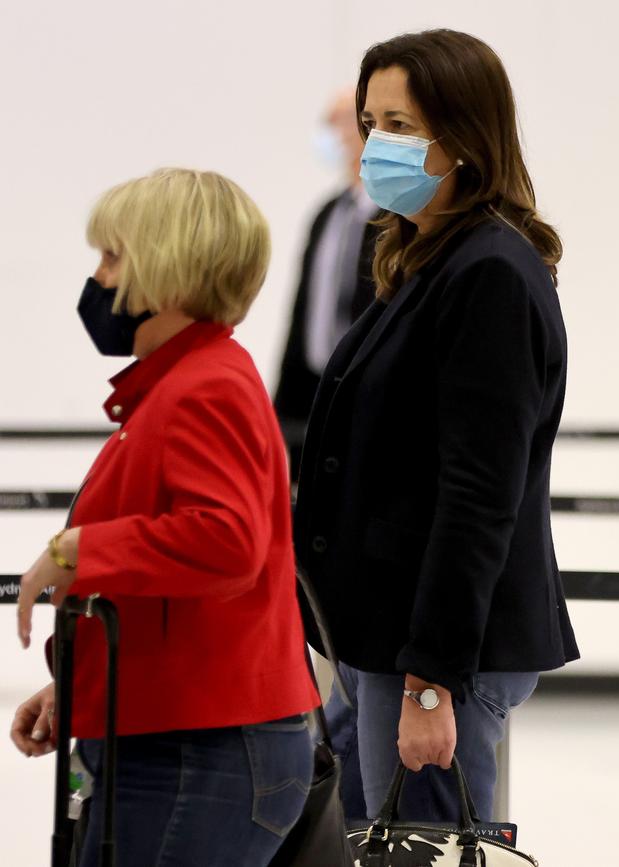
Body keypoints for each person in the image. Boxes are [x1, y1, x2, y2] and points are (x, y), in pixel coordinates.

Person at [294, 29, 580, 824]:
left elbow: (477, 494)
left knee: (421, 840)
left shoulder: (487, 271)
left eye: (399, 126)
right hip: (394, 638)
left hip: (437, 652)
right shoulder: (428, 257)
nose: (374, 145)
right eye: (370, 121)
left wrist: (430, 678)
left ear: (463, 138)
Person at [10, 168, 319, 867]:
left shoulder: (204, 387)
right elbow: (172, 585)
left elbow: (227, 541)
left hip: (199, 752)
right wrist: (83, 685)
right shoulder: (186, 383)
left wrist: (75, 549)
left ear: (169, 269)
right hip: (181, 739)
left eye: (113, 256)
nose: (99, 277)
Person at [274, 88, 380, 482]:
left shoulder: (397, 221)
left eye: (336, 121)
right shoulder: (327, 215)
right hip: (313, 396)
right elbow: (303, 311)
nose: (328, 134)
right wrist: (282, 408)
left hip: (368, 402)